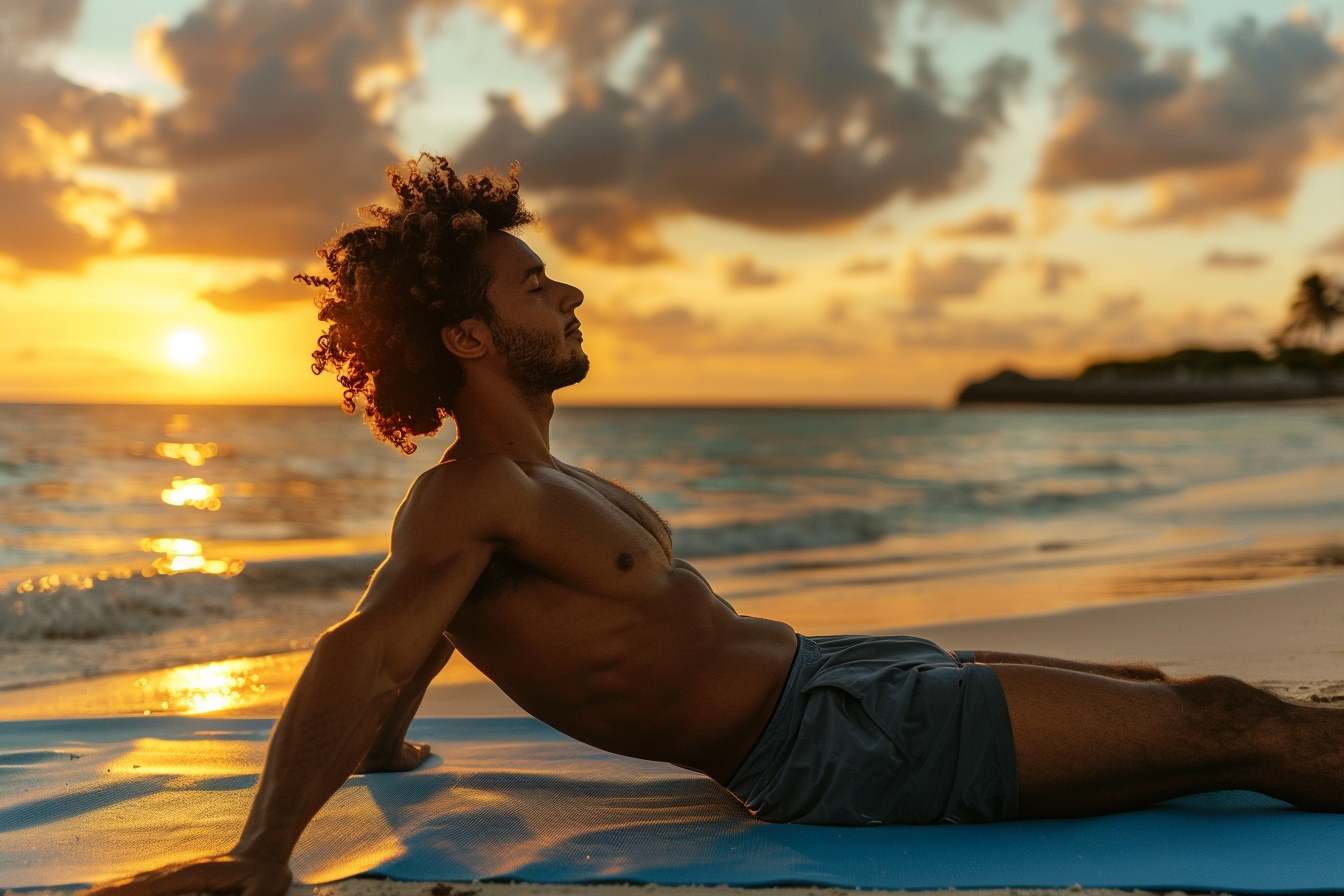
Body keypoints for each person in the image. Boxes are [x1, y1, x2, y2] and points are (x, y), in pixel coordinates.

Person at [91, 155, 1344, 896]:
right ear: (470, 337)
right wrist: (263, 855)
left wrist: (392, 752)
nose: (570, 288)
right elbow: (364, 647)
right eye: (536, 284)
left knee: (1164, 686)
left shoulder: (533, 488)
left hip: (849, 678)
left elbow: (406, 660)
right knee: (1227, 720)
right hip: (838, 746)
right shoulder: (471, 495)